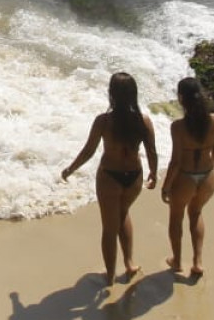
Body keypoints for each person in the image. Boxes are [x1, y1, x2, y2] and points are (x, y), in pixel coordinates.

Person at [60, 72, 159, 284]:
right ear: (134, 94)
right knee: (123, 214)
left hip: (110, 176)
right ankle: (130, 263)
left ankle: (111, 275)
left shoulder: (104, 121)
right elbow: (152, 151)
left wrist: (70, 169)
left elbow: (88, 151)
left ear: (111, 94)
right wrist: (153, 173)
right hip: (134, 177)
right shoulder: (144, 120)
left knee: (109, 227)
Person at [161, 77, 214, 280]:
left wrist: (166, 186)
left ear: (181, 98)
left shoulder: (178, 127)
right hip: (207, 176)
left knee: (176, 217)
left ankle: (177, 261)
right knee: (195, 213)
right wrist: (207, 168)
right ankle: (197, 262)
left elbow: (176, 162)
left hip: (185, 177)